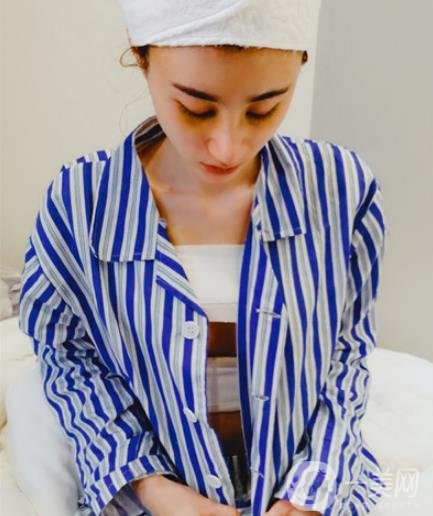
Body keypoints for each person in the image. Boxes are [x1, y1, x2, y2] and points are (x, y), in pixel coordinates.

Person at [18, 1, 388, 515]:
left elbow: (347, 353)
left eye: (264, 109)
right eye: (196, 108)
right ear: (141, 56)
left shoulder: (342, 191)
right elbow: (67, 356)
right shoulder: (82, 205)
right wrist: (151, 486)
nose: (227, 148)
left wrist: (311, 493)